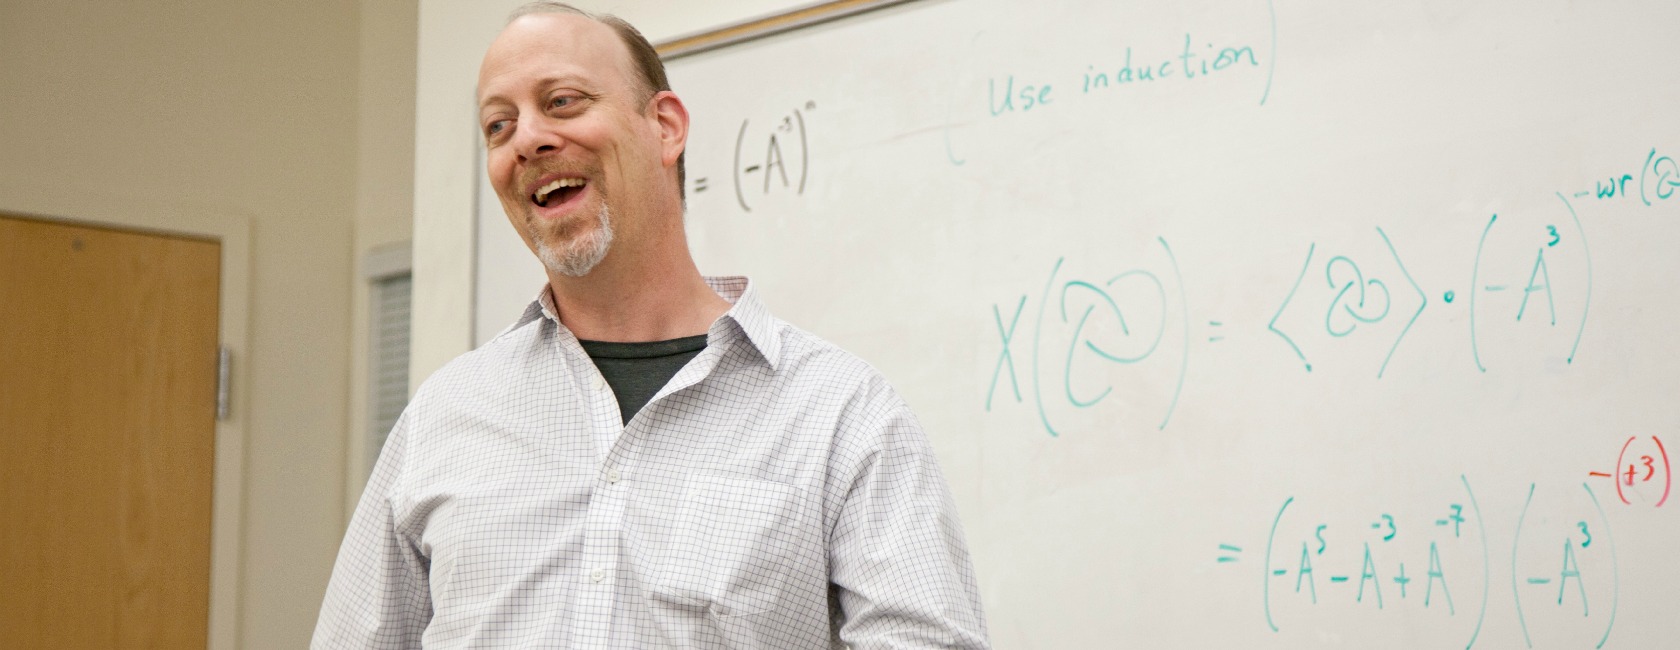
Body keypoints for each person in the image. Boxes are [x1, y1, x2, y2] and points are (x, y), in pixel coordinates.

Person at [312, 3, 989, 648]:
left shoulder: (841, 413)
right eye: (498, 125)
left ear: (665, 127)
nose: (527, 139)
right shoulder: (445, 415)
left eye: (562, 102)